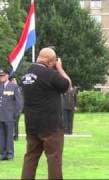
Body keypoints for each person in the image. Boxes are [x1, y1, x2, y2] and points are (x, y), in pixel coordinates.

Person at [20, 48, 71, 179]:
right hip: (51, 126)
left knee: (30, 158)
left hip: (31, 125)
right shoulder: (49, 74)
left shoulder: (26, 74)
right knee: (54, 159)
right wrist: (59, 68)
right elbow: (67, 85)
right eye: (53, 62)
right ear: (50, 61)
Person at [0, 69, 23, 161]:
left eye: (3, 75)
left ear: (7, 76)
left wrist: (15, 114)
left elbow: (19, 102)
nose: (1, 77)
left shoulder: (13, 86)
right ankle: (2, 154)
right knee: (1, 136)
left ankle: (10, 154)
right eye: (0, 76)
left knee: (9, 136)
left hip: (9, 115)